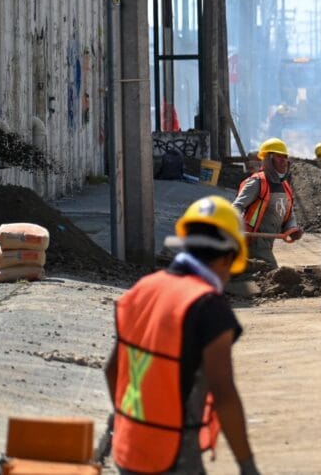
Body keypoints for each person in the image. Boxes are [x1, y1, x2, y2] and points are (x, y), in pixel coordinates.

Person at [104, 196, 260, 475]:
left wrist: (125, 421)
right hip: (174, 456)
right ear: (228, 258)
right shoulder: (208, 308)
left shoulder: (141, 290)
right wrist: (247, 466)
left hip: (129, 451)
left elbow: (112, 369)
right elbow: (224, 395)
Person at [232, 138, 303, 268]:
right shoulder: (257, 182)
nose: (284, 161)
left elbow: (289, 213)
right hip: (253, 242)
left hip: (268, 243)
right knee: (272, 272)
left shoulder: (284, 186)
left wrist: (292, 229)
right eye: (279, 157)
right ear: (268, 160)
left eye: (285, 157)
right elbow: (237, 206)